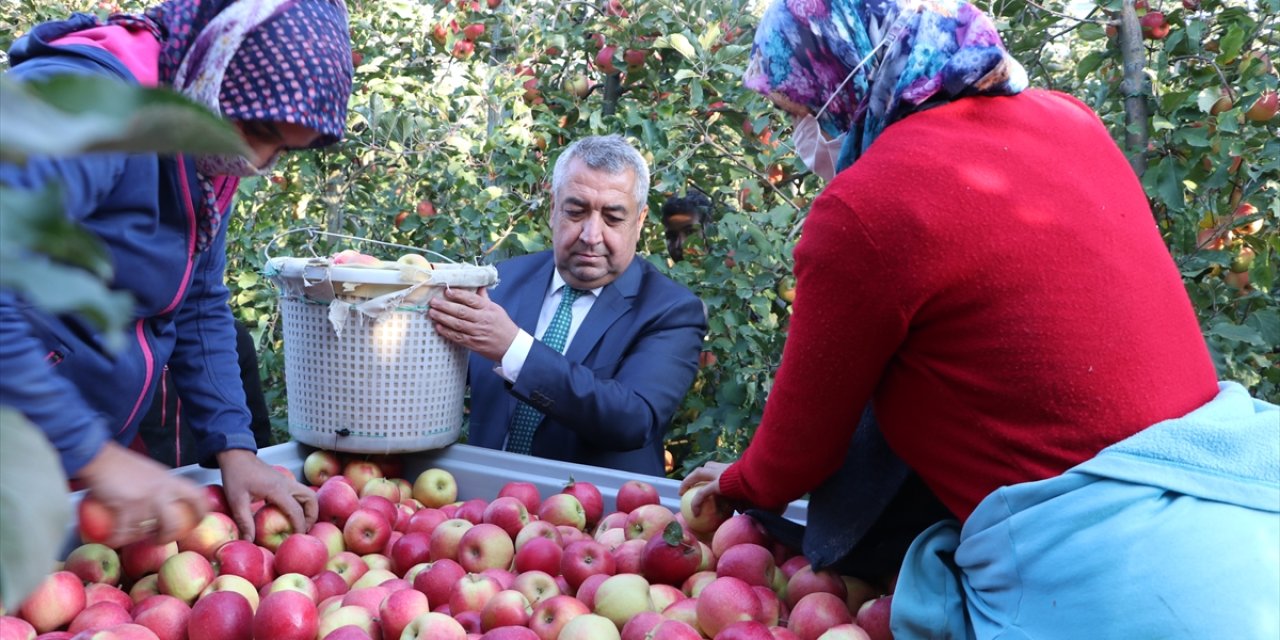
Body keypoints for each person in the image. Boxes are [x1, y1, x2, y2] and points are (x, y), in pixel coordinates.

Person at [680, 0, 1279, 638]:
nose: (800, 135)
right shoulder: (1071, 120)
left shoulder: (867, 207)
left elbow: (801, 453)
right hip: (1246, 520)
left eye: (798, 112)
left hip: (1107, 587)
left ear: (841, 80)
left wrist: (739, 482)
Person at [0, 0, 353, 548]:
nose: (257, 160)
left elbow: (197, 298)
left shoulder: (203, 145)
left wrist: (234, 446)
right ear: (213, 61)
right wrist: (90, 452)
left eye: (281, 149)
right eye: (257, 129)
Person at [428, 135, 707, 476]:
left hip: (602, 522)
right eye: (576, 212)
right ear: (553, 208)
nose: (591, 235)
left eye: (613, 218)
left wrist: (514, 349)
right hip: (485, 511)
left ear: (640, 220)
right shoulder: (501, 282)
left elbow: (633, 419)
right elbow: (431, 375)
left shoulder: (671, 311)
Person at [137, 319, 273, 468]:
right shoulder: (120, 343)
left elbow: (258, 433)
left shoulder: (231, 338)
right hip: (127, 486)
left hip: (213, 483)